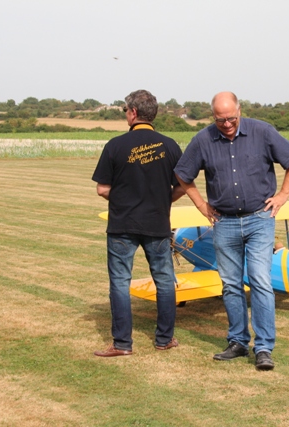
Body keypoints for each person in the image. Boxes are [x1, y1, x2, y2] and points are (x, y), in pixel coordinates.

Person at [175, 91, 289, 371]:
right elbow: (182, 174)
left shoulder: (262, 131)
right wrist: (201, 205)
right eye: (220, 120)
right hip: (224, 222)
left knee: (260, 281)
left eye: (231, 118)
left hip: (260, 219)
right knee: (231, 284)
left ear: (239, 111)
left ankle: (264, 348)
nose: (227, 124)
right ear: (213, 116)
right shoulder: (202, 139)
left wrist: (283, 194)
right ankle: (238, 342)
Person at [92, 89, 184, 357]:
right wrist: (163, 199)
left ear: (133, 113)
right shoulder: (170, 145)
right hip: (157, 223)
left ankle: (122, 343)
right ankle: (164, 339)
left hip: (122, 224)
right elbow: (183, 185)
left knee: (120, 282)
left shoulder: (115, 145)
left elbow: (102, 189)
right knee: (164, 281)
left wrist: (124, 198)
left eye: (125, 110)